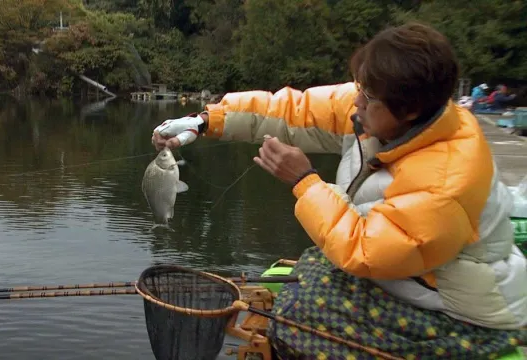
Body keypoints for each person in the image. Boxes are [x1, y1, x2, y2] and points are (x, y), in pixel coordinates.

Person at [152, 22, 527, 358]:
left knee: (296, 323)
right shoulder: (393, 107)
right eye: (360, 88)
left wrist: (304, 181)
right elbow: (294, 110)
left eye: (368, 97)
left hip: (463, 307)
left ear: (409, 109)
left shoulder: (445, 179)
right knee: (312, 268)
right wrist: (205, 120)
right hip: (412, 276)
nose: (357, 101)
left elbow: (366, 251)